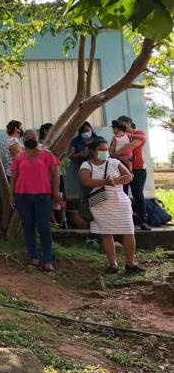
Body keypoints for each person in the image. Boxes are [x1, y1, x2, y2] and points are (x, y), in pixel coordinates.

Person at [79, 138, 146, 274]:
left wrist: (114, 181)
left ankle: (130, 263)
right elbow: (85, 181)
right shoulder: (87, 165)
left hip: (120, 200)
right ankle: (113, 264)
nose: (104, 152)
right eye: (101, 150)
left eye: (106, 149)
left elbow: (128, 176)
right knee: (106, 232)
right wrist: (104, 182)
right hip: (100, 203)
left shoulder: (115, 162)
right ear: (93, 151)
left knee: (128, 230)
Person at [10, 129, 63, 273]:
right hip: (22, 195)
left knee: (44, 227)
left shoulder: (47, 154)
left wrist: (55, 192)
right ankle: (34, 257)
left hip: (43, 196)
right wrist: (11, 195)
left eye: (32, 137)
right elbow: (14, 177)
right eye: (27, 137)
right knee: (28, 226)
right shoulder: (19, 157)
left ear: (38, 138)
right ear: (23, 140)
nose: (29, 139)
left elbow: (56, 175)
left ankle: (47, 260)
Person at [112, 116, 149, 230]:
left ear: (128, 123)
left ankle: (143, 221)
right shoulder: (119, 136)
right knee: (123, 194)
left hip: (138, 169)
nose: (121, 128)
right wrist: (119, 156)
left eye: (122, 124)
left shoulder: (139, 133)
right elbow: (111, 152)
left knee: (137, 194)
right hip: (122, 169)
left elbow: (132, 145)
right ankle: (125, 220)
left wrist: (118, 152)